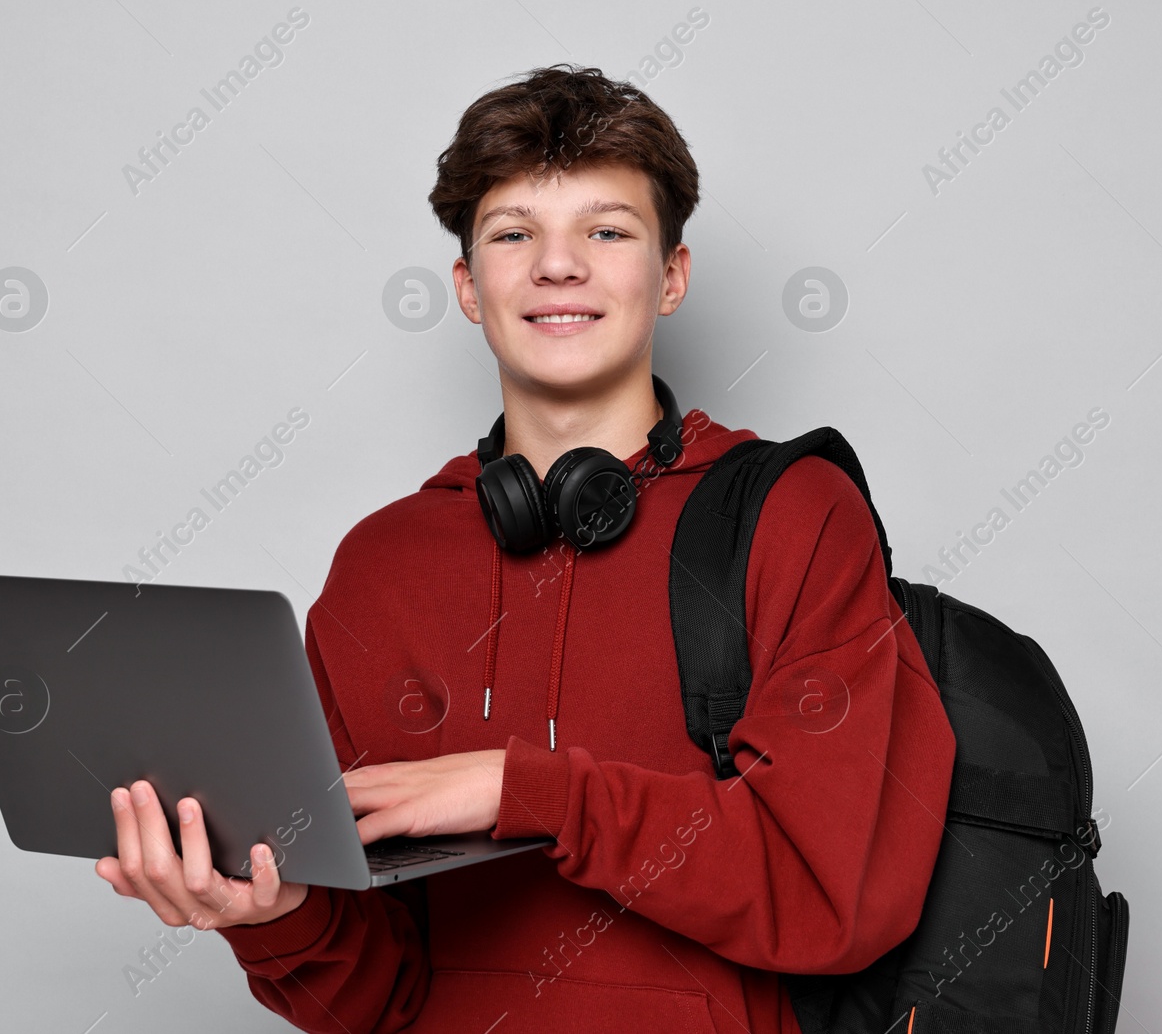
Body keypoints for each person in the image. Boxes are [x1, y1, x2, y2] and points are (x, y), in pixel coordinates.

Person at [94, 64, 956, 1033]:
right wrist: (275, 917)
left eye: (606, 230)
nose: (558, 265)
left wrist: (524, 788)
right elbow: (380, 999)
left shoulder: (795, 514)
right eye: (514, 234)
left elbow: (830, 896)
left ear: (670, 275)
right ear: (469, 285)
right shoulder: (380, 562)